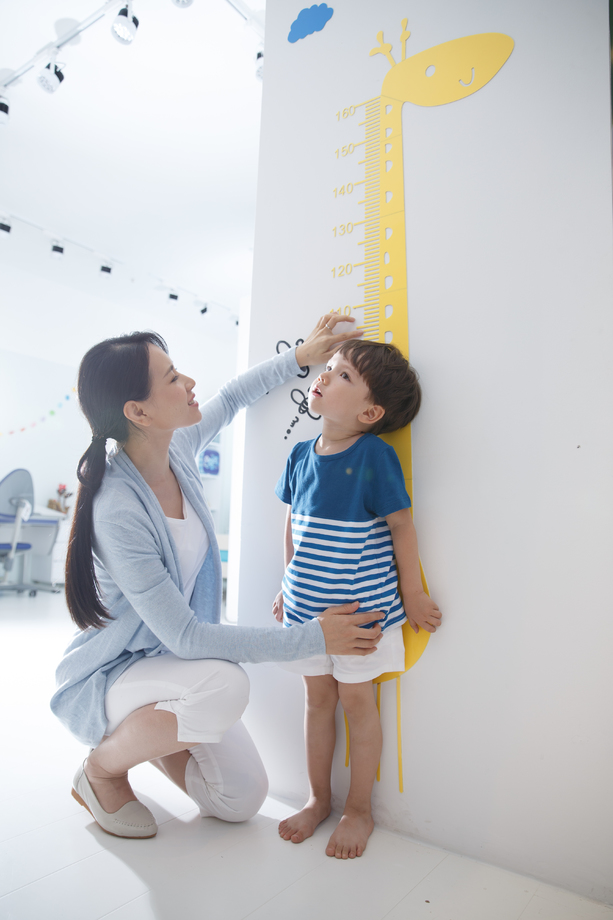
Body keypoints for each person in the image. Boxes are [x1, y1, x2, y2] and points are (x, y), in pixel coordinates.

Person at [51, 315, 386, 841]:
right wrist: (313, 637)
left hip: (168, 665)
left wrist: (305, 356)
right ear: (137, 412)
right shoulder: (117, 507)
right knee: (226, 683)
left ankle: (154, 734)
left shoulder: (175, 451)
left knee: (237, 799)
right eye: (172, 378)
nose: (189, 384)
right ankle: (101, 771)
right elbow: (186, 636)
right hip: (117, 672)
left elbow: (232, 397)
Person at [272, 339, 442, 859]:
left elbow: (401, 525)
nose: (324, 376)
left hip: (362, 616)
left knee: (356, 705)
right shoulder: (301, 453)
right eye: (328, 368)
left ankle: (359, 809)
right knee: (316, 701)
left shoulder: (374, 456)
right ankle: (318, 799)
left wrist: (413, 594)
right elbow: (291, 523)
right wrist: (285, 583)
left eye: (342, 375)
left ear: (370, 412)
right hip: (305, 613)